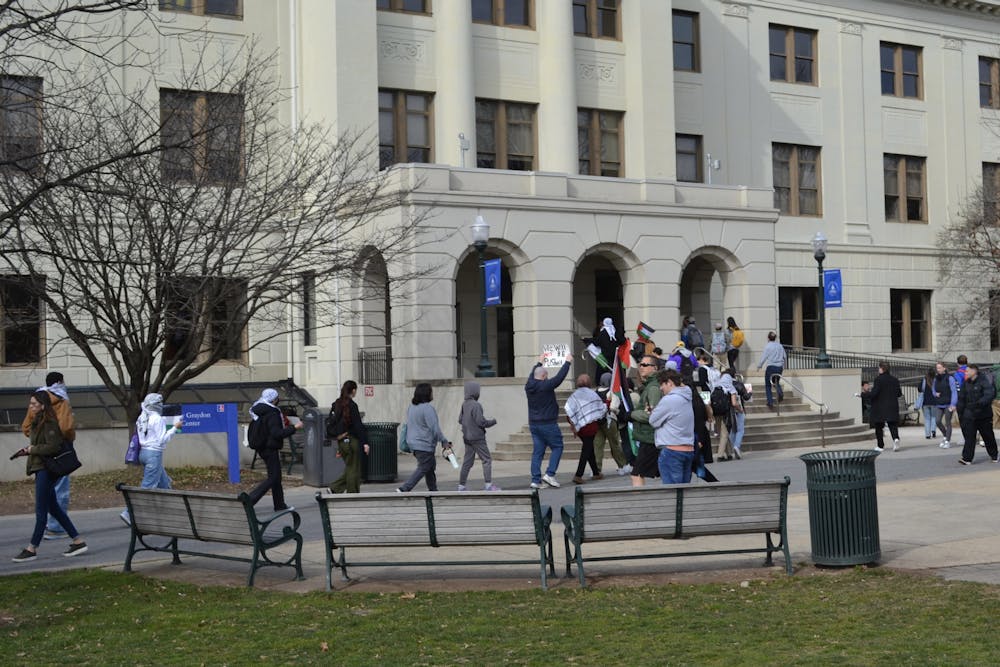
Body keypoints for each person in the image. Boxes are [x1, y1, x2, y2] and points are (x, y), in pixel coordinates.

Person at [11, 390, 88, 562]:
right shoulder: (38, 421)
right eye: (30, 403)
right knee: (53, 507)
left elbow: (53, 447)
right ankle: (78, 541)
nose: (30, 407)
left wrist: (32, 450)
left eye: (34, 404)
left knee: (41, 510)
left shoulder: (49, 423)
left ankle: (32, 549)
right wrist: (28, 450)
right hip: (40, 468)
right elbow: (43, 444)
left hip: (46, 470)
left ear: (43, 405)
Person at [20, 372, 75, 540]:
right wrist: (64, 439)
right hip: (59, 451)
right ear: (60, 382)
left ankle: (66, 533)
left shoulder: (37, 399)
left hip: (40, 451)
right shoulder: (62, 400)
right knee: (61, 488)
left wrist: (38, 438)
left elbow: (26, 427)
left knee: (47, 490)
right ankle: (57, 528)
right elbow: (66, 428)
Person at [120, 392, 185, 525]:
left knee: (164, 483)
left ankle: (171, 511)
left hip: (143, 453)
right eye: (159, 403)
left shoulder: (142, 416)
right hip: (153, 455)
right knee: (147, 487)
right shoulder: (157, 418)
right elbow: (162, 440)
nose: (161, 405)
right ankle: (128, 513)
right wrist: (174, 428)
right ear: (156, 405)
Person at [247, 388, 300, 512]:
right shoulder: (273, 413)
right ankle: (251, 499)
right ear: (275, 399)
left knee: (276, 477)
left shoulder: (258, 409)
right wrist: (294, 428)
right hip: (270, 448)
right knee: (274, 477)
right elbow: (277, 433)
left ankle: (279, 504)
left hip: (261, 447)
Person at [525, 351, 573, 489]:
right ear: (544, 376)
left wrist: (540, 362)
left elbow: (533, 374)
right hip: (548, 423)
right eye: (546, 376)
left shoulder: (529, 385)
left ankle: (535, 480)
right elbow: (559, 378)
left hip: (534, 424)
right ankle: (550, 474)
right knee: (557, 447)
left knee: (538, 452)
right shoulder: (545, 386)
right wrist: (567, 362)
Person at [398, 383, 453, 492]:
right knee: (424, 467)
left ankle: (433, 490)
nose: (432, 394)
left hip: (413, 443)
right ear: (427, 394)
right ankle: (404, 488)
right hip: (424, 444)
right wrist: (444, 441)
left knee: (430, 467)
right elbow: (434, 428)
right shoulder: (428, 409)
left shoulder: (411, 407)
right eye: (431, 392)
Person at [649, 369, 696, 484]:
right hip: (688, 449)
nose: (661, 388)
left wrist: (652, 411)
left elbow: (653, 421)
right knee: (683, 491)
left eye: (662, 384)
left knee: (672, 492)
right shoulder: (687, 395)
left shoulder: (669, 400)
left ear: (669, 382)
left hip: (672, 450)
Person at [328, 381, 370, 494]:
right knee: (353, 469)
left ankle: (335, 488)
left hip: (341, 441)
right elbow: (358, 425)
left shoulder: (336, 404)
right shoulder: (352, 405)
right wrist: (365, 442)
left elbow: (330, 423)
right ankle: (351, 493)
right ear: (353, 390)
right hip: (351, 441)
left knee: (350, 467)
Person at [457, 381, 500, 491]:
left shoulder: (464, 404)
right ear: (475, 392)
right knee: (486, 459)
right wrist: (493, 421)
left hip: (467, 437)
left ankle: (461, 486)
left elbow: (460, 420)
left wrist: (467, 426)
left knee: (467, 462)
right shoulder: (476, 405)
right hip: (477, 437)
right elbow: (481, 422)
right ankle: (488, 485)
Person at [565, 374, 607, 484]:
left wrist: (573, 424)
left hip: (579, 427)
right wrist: (607, 404)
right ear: (588, 382)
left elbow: (569, 411)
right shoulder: (593, 394)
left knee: (589, 448)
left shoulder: (574, 396)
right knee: (586, 449)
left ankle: (596, 473)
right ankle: (578, 475)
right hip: (590, 426)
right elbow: (601, 408)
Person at [628, 354, 663, 487]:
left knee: (636, 474)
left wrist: (632, 414)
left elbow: (653, 416)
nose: (640, 367)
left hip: (650, 438)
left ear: (654, 368)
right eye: (640, 364)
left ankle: (641, 503)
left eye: (645, 365)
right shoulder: (649, 386)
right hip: (649, 437)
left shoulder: (653, 388)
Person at [957, 364, 999, 465]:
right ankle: (967, 458)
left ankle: (994, 455)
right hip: (969, 415)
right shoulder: (966, 384)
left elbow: (989, 394)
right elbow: (961, 399)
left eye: (967, 371)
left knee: (988, 436)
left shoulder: (984, 381)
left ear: (974, 371)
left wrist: (979, 403)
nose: (966, 373)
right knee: (969, 437)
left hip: (983, 415)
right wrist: (960, 413)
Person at [594, 372, 628, 475]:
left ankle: (597, 468)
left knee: (598, 445)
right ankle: (622, 466)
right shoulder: (612, 392)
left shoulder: (595, 392)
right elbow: (613, 408)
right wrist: (618, 412)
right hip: (610, 420)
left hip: (597, 421)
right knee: (615, 444)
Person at [864, 362, 902, 452]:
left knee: (878, 426)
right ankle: (896, 438)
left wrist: (864, 394)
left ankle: (880, 446)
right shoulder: (895, 380)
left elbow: (874, 393)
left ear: (881, 369)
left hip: (880, 406)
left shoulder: (878, 380)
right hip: (892, 405)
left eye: (879, 368)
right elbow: (899, 393)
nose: (878, 370)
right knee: (892, 424)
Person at [932, 361, 958, 448]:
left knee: (948, 422)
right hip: (939, 404)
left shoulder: (950, 378)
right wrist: (935, 394)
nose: (938, 369)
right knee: (937, 421)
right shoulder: (936, 379)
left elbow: (954, 391)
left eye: (939, 368)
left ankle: (947, 441)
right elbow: (933, 389)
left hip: (948, 404)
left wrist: (953, 404)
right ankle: (945, 435)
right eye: (937, 368)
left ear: (944, 368)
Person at [757, 331, 786, 408]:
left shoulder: (768, 346)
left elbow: (764, 357)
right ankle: (780, 392)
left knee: (768, 385)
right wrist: (783, 365)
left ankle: (770, 402)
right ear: (775, 338)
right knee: (776, 381)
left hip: (771, 366)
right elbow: (785, 356)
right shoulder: (780, 346)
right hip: (779, 367)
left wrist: (759, 366)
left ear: (768, 338)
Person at [918, 369, 937, 440]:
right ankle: (933, 431)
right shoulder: (936, 380)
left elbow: (919, 389)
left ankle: (927, 434)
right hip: (934, 402)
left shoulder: (924, 380)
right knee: (934, 417)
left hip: (925, 402)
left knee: (927, 419)